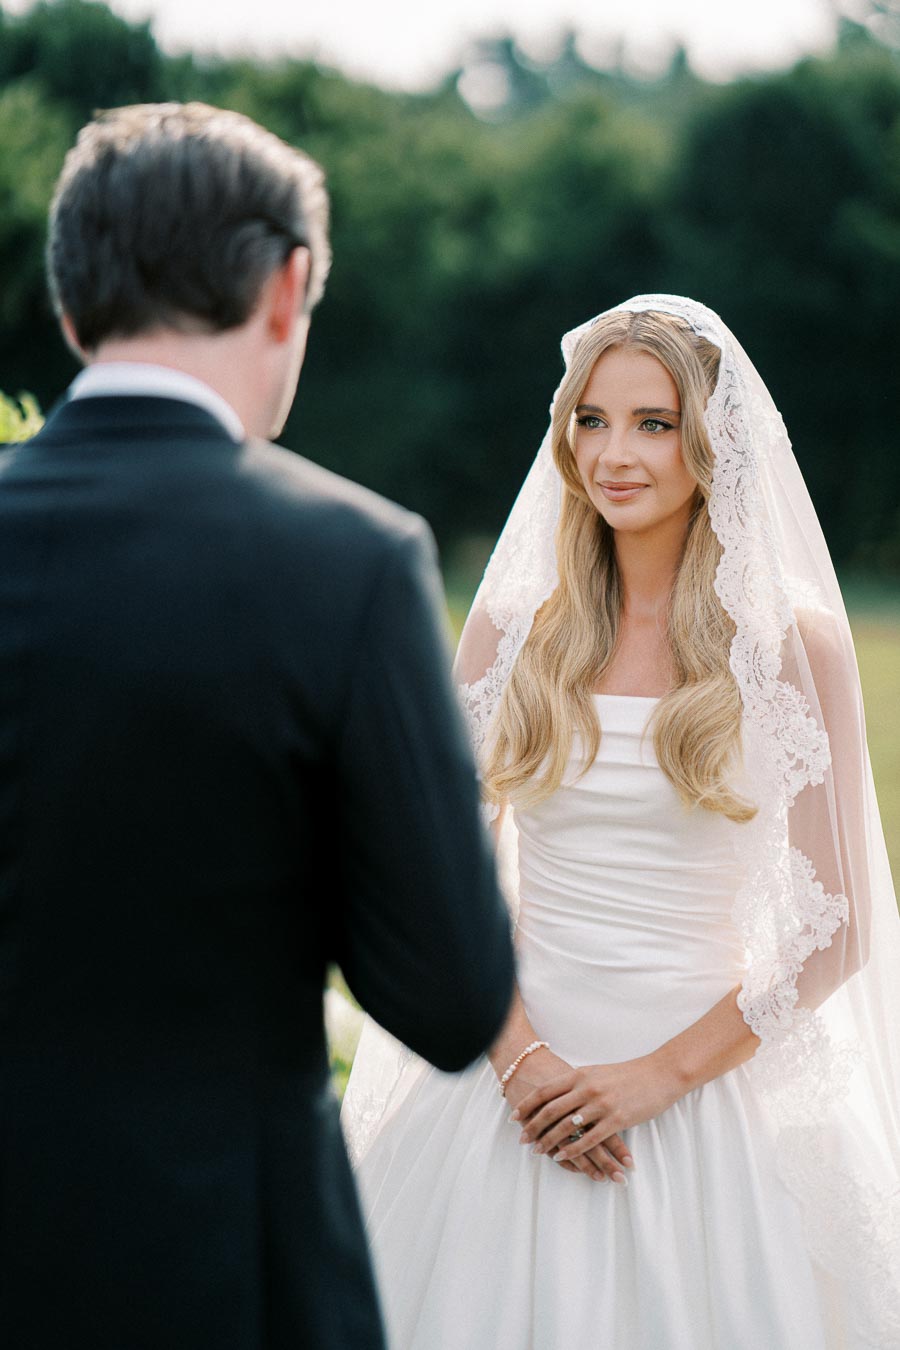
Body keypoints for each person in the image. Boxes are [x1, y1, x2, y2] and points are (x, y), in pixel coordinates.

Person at [0, 102, 515, 1350]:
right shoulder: (346, 562)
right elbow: (452, 997)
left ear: (73, 310)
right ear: (287, 290)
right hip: (227, 1266)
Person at [342, 295, 900, 1348]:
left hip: (705, 1091)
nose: (615, 452)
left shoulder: (792, 648)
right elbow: (435, 875)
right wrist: (519, 1062)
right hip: (515, 1083)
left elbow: (839, 929)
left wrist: (656, 1079)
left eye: (652, 422)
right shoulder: (516, 631)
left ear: (710, 440)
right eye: (591, 420)